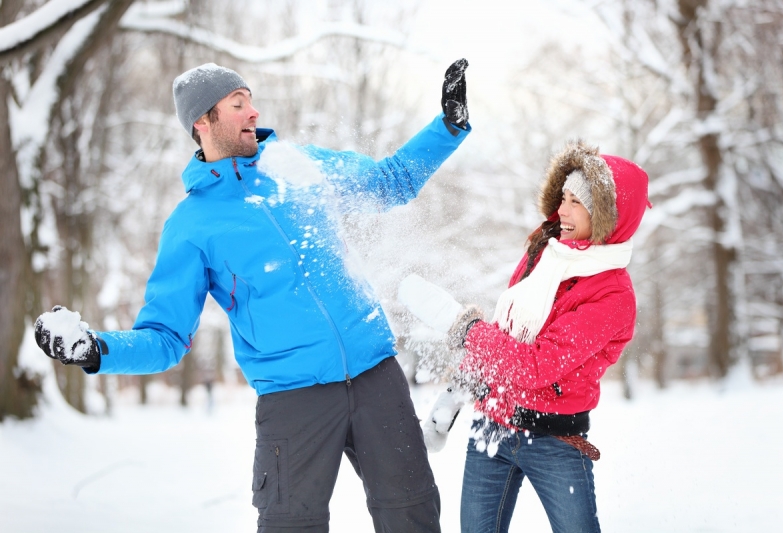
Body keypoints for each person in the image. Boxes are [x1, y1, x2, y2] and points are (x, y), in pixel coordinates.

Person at [33, 59, 472, 532]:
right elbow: (164, 338)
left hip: (375, 375)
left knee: (413, 515)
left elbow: (391, 181)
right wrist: (96, 350)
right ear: (203, 123)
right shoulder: (192, 225)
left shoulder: (298, 168)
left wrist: (448, 126)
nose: (253, 112)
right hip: (292, 399)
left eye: (251, 101)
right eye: (237, 104)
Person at [444, 140, 650, 533]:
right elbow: (508, 334)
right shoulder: (545, 251)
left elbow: (536, 365)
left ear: (607, 216)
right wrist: (470, 375)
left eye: (576, 202)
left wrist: (471, 332)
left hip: (555, 441)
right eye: (564, 197)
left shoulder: (613, 295)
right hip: (493, 425)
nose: (562, 210)